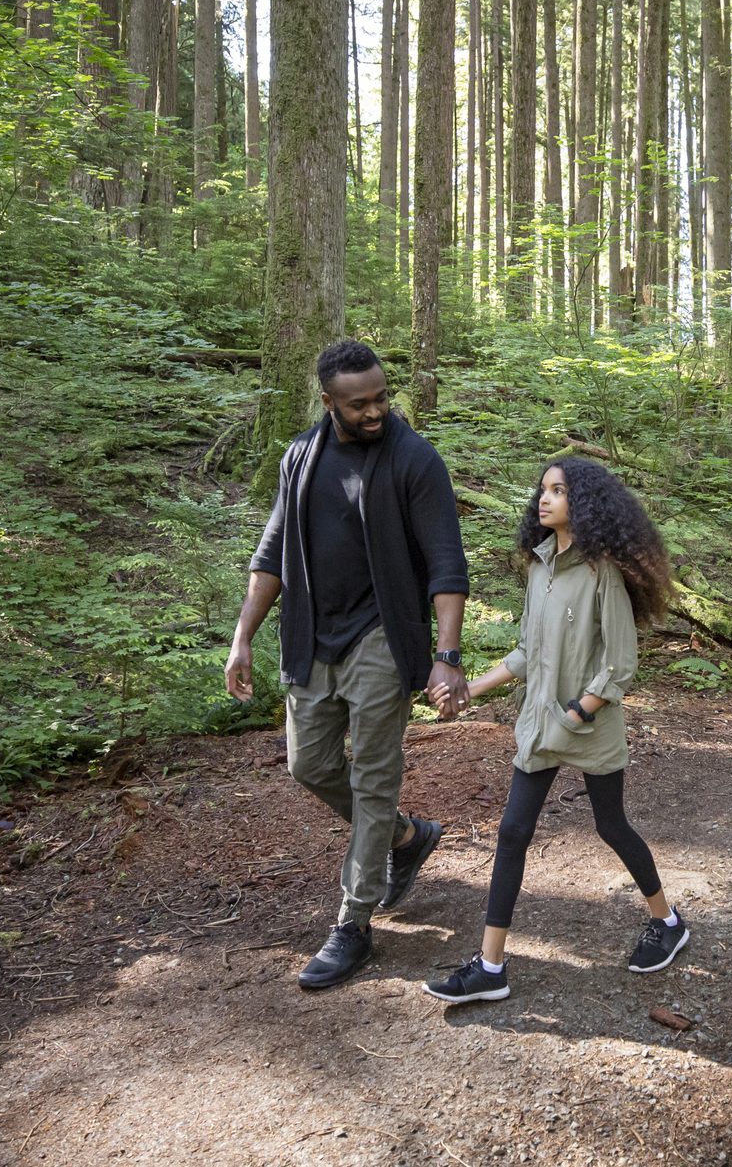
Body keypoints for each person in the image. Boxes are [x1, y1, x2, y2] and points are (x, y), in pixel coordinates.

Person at [226, 340, 472, 990]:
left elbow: (447, 561)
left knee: (372, 777)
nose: (374, 410)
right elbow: (273, 550)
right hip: (312, 636)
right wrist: (242, 636)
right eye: (359, 403)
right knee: (309, 763)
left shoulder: (414, 459)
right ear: (329, 401)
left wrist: (446, 656)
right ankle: (404, 836)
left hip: (384, 638)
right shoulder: (301, 456)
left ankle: (352, 924)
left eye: (381, 397)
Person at [423, 458, 686, 1004]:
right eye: (543, 490)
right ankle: (491, 966)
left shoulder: (600, 572)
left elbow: (620, 661)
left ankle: (668, 921)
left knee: (612, 826)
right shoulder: (540, 567)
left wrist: (581, 710)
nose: (545, 500)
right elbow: (526, 651)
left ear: (583, 503)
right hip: (539, 727)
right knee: (513, 833)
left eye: (559, 491)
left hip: (587, 727)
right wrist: (473, 686)